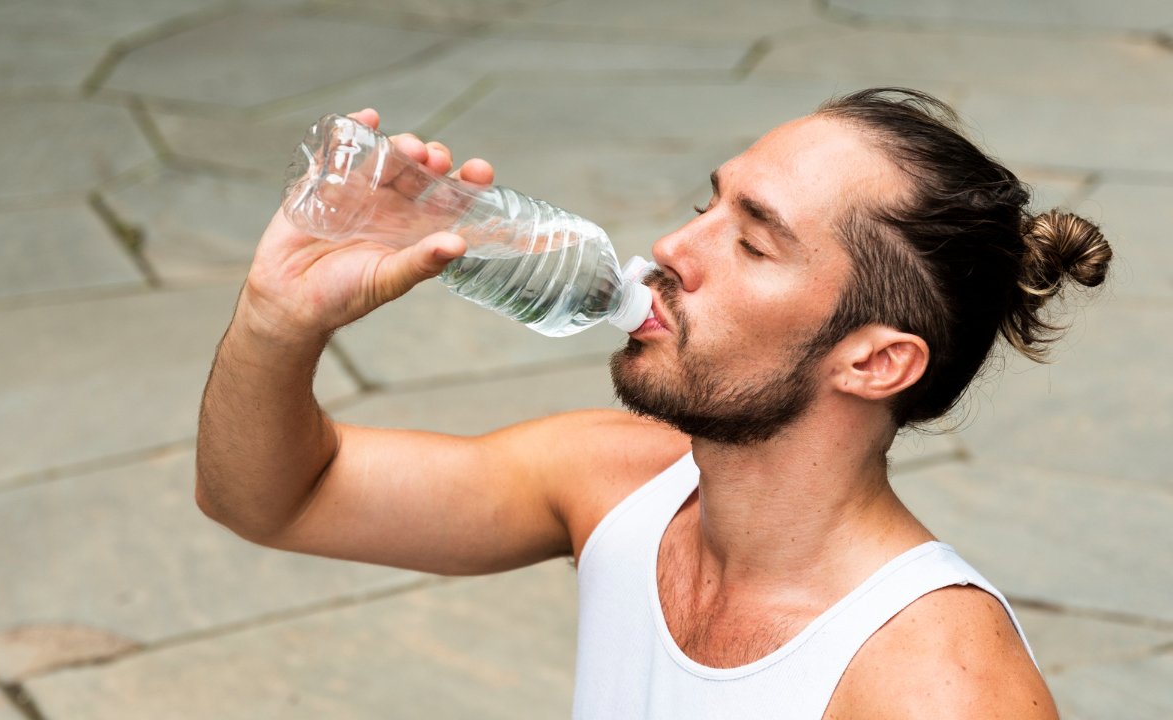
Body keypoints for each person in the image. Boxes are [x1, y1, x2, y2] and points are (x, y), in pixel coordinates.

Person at [195, 88, 1111, 718]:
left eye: (753, 245)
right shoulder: (615, 486)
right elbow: (276, 496)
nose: (675, 245)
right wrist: (280, 320)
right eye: (709, 204)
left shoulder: (937, 681)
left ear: (875, 363)